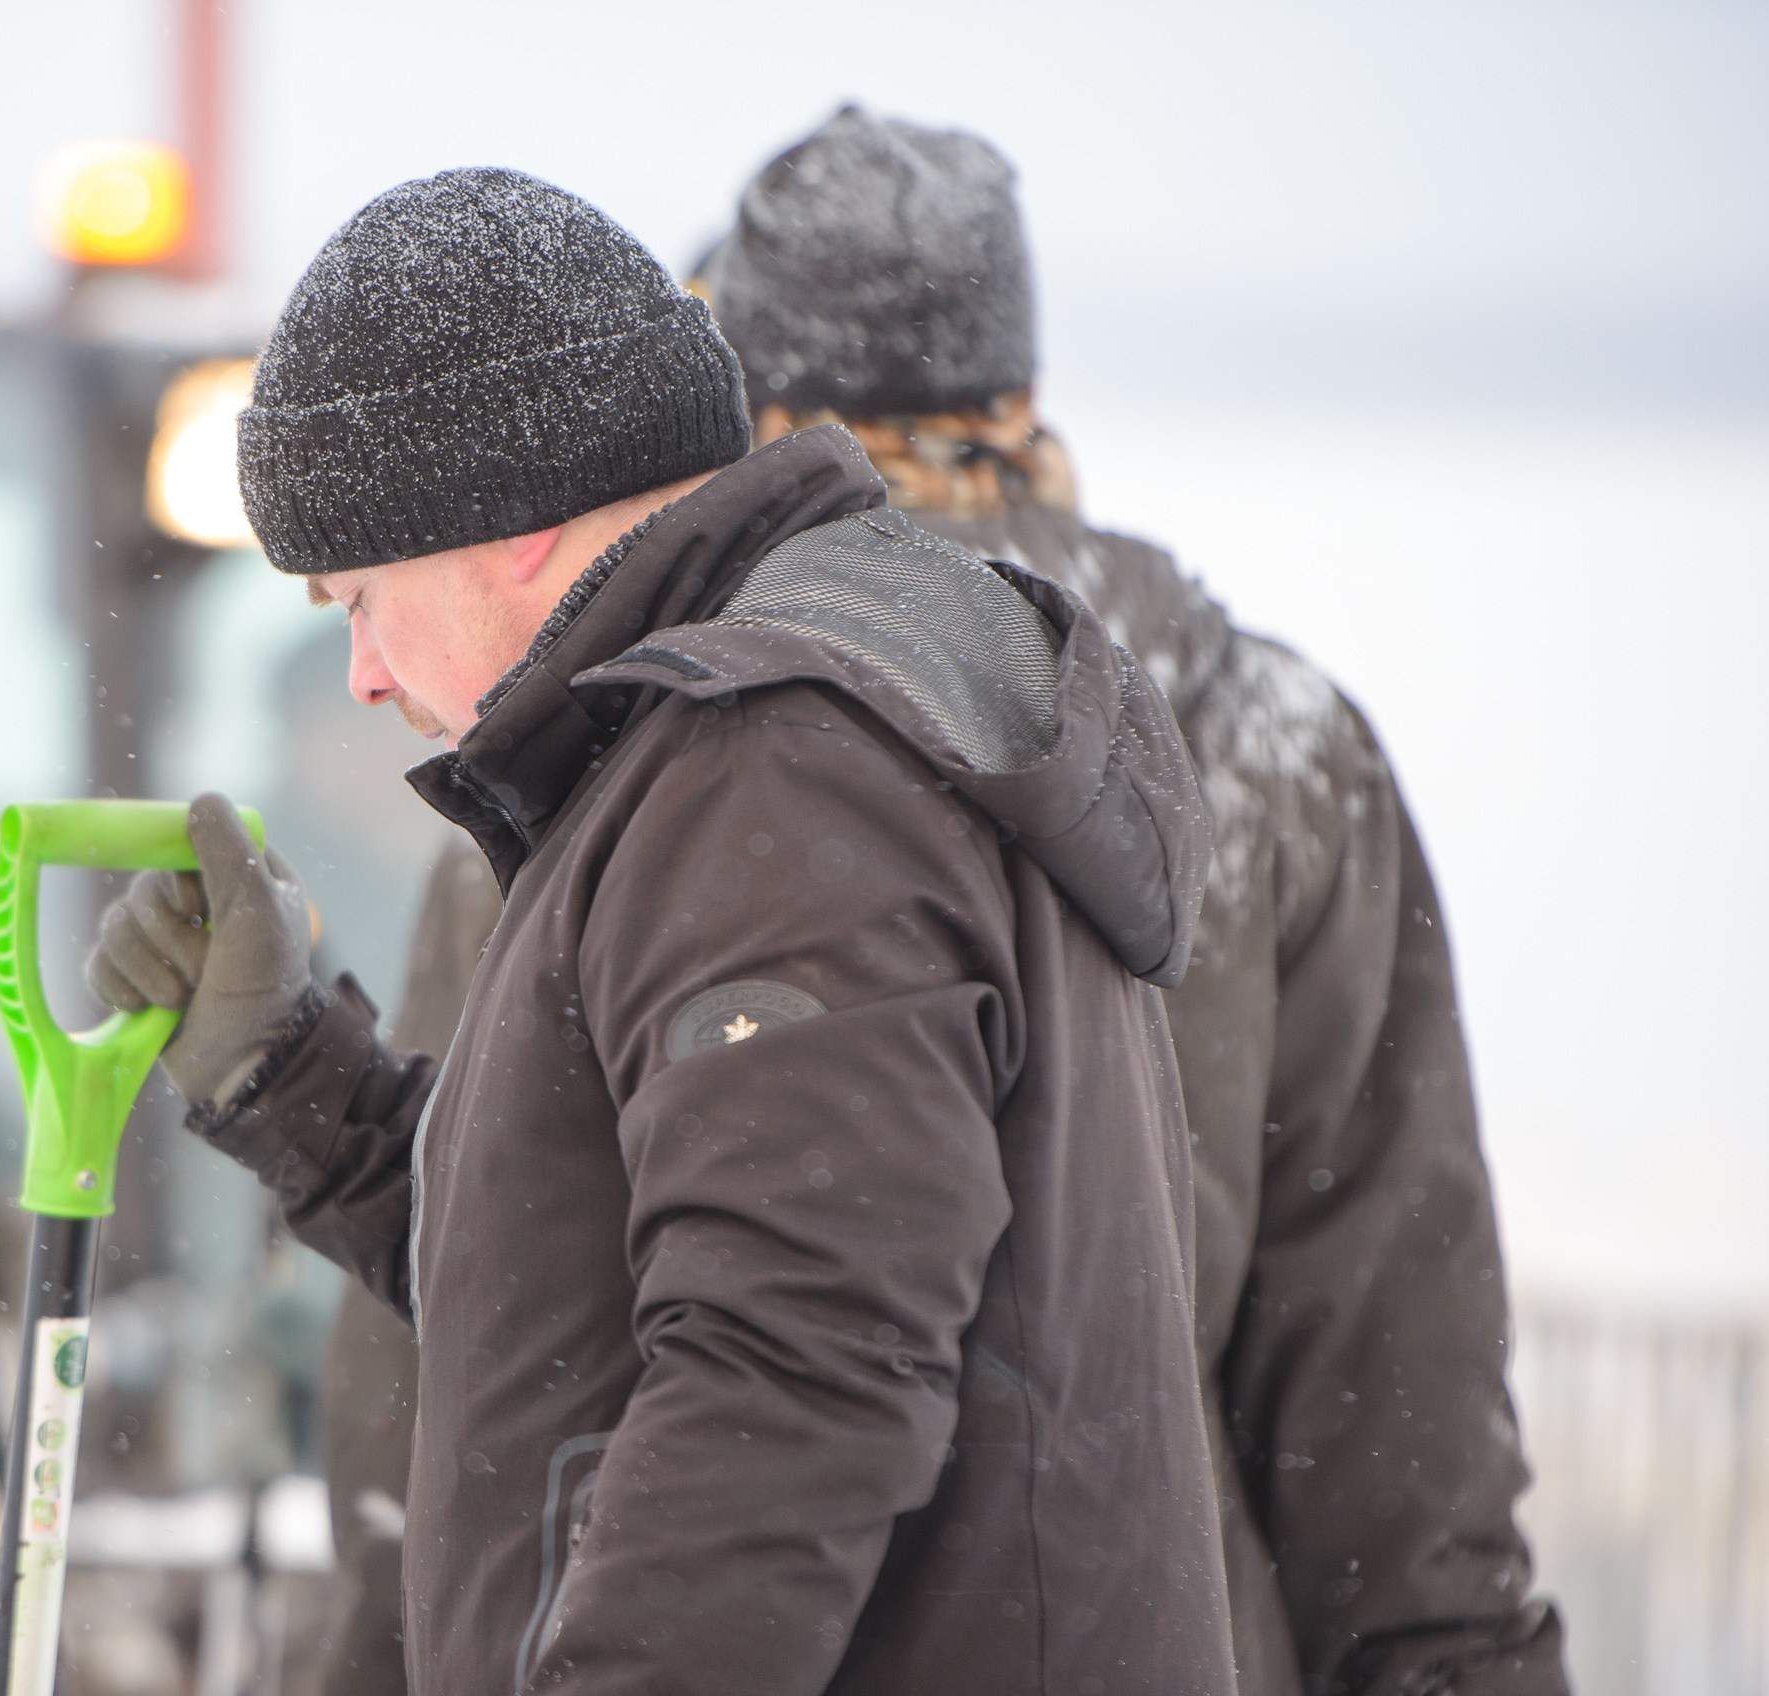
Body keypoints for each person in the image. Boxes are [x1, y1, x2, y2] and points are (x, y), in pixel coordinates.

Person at [89, 168, 1238, 1693]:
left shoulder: (777, 770)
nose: (361, 674)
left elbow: (791, 1380)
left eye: (355, 596)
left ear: (498, 524)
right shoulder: (731, 758)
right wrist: (296, 1081)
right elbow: (606, 1294)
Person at [698, 109, 1567, 1693]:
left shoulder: (645, 752)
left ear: (754, 413)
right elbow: (1390, 1381)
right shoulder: (1277, 750)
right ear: (1018, 395)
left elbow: (467, 1376)